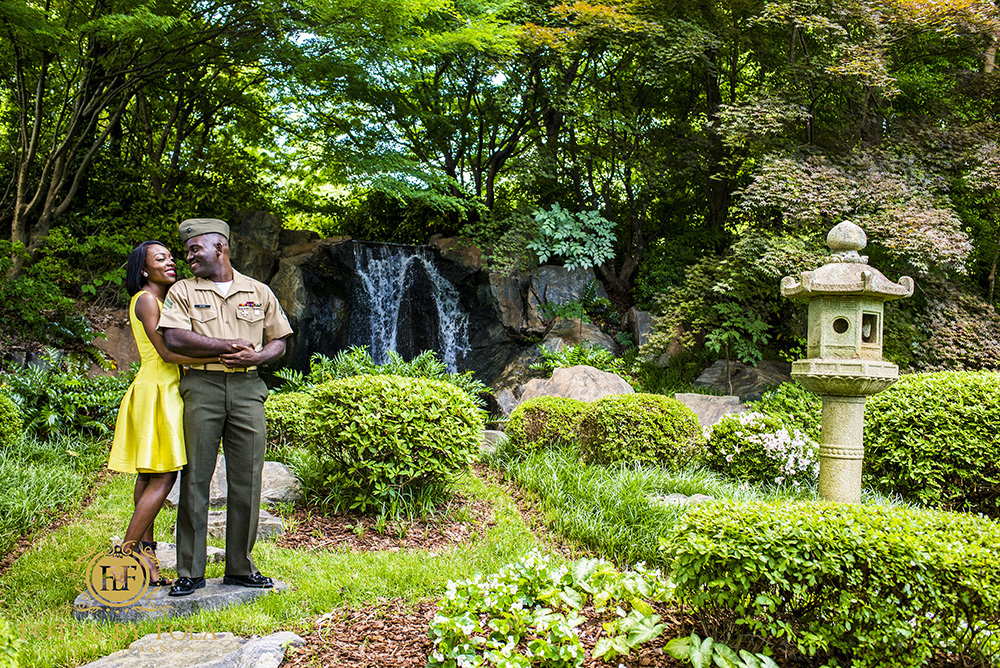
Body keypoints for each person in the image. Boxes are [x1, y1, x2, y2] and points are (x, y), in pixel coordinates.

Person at [158, 218, 292, 597]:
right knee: (196, 477)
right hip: (202, 387)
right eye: (187, 251)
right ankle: (190, 570)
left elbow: (279, 340)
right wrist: (226, 346)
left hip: (249, 388)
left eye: (194, 249)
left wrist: (259, 355)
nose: (188, 257)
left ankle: (239, 567)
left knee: (248, 478)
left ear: (219, 247)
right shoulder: (183, 291)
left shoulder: (259, 291)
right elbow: (175, 336)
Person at [108, 240, 220, 586]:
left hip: (154, 388)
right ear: (144, 269)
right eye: (161, 259)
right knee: (164, 477)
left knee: (147, 476)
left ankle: (148, 558)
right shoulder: (146, 300)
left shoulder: (155, 299)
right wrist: (217, 358)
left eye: (171, 257)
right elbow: (167, 352)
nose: (171, 262)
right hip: (160, 390)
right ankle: (124, 556)